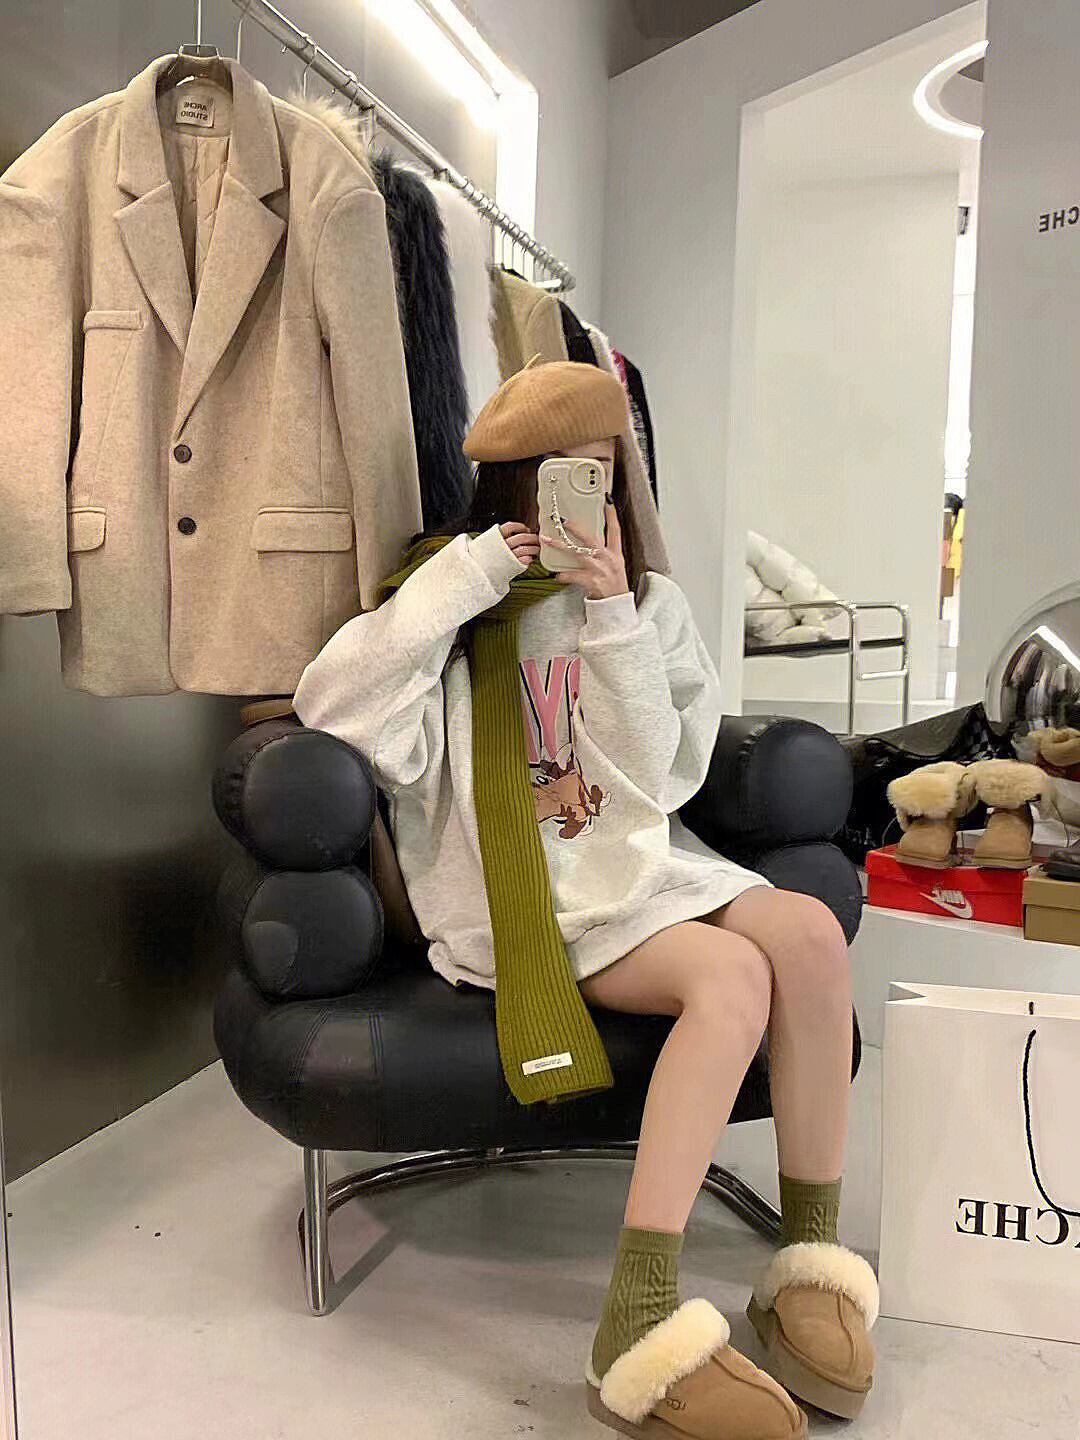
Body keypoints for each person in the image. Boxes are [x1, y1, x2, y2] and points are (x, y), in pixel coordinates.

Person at [292, 362, 877, 1440]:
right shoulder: (450, 612)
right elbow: (329, 703)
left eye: (604, 471)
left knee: (806, 933)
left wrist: (612, 618)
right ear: (510, 484)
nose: (586, 493)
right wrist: (468, 577)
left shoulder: (647, 606)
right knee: (732, 975)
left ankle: (809, 1264)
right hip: (524, 902)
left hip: (645, 869)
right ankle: (636, 1315)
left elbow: (661, 780)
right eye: (560, 472)